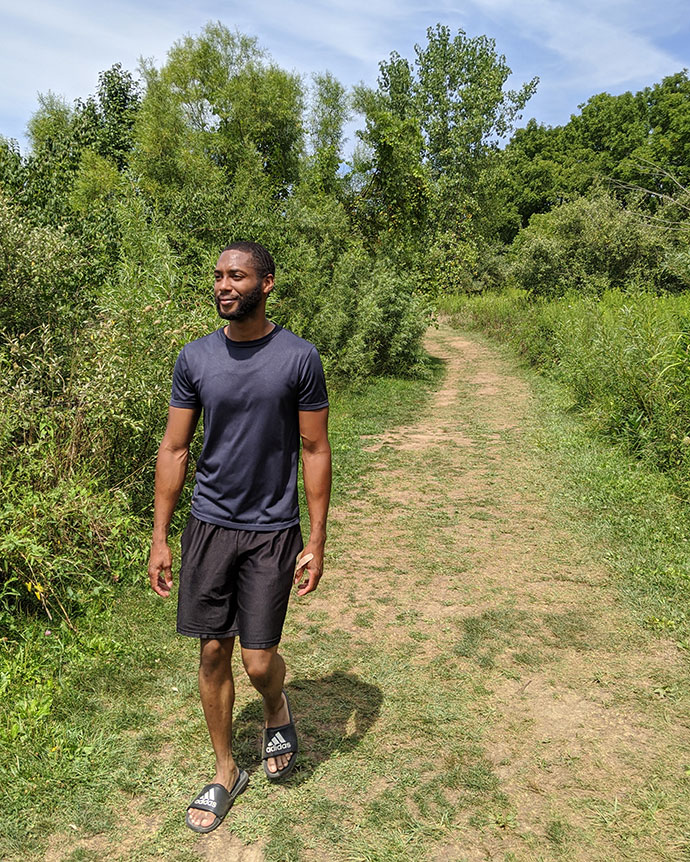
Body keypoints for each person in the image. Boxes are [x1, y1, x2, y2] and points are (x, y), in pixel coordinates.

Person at [147, 241, 331, 833]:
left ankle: (276, 704)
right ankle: (226, 770)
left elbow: (314, 448)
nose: (225, 284)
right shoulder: (195, 358)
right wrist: (161, 535)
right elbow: (174, 449)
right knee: (211, 650)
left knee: (257, 661)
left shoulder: (298, 358)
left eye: (238, 275)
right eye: (219, 275)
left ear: (267, 283)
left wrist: (318, 537)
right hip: (208, 526)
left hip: (271, 530)